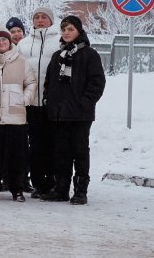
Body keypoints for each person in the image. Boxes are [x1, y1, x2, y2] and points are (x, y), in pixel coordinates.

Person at [41, 16, 105, 205]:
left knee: (79, 152)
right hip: (59, 114)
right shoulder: (58, 56)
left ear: (79, 31)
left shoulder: (89, 54)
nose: (67, 33)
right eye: (64, 29)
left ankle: (80, 190)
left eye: (70, 29)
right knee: (61, 153)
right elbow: (49, 82)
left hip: (80, 115)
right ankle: (61, 189)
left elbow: (97, 83)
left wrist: (85, 103)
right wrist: (49, 101)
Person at [0, 27, 35, 202]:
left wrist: (24, 99)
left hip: (16, 117)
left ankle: (17, 189)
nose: (1, 43)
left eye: (4, 40)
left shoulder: (21, 61)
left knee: (16, 157)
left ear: (10, 41)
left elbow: (31, 83)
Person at [17, 7, 62, 198]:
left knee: (54, 143)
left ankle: (53, 181)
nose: (40, 20)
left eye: (44, 17)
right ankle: (38, 183)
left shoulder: (59, 42)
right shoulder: (24, 44)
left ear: (51, 21)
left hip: (52, 103)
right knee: (35, 145)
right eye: (37, 17)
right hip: (30, 103)